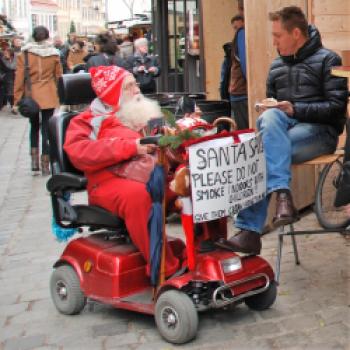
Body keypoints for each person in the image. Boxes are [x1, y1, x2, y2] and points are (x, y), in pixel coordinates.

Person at [224, 6, 348, 254]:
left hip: (320, 132)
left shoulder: (328, 59)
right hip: (285, 132)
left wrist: (295, 109)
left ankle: (250, 231)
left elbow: (336, 108)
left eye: (278, 36)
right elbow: (274, 112)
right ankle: (282, 196)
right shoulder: (276, 66)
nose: (274, 41)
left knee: (261, 155)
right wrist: (270, 107)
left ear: (296, 33)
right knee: (270, 117)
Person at [64, 65, 180, 279]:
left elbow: (169, 143)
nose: (137, 89)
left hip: (151, 173)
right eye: (129, 87)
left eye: (135, 83)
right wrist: (131, 147)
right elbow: (79, 153)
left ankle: (207, 250)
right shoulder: (86, 122)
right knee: (139, 196)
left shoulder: (144, 112)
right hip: (109, 182)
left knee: (193, 182)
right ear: (112, 94)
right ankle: (165, 269)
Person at [14, 25, 62, 175]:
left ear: (33, 37)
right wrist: (61, 96)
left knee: (34, 127)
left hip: (32, 95)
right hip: (49, 93)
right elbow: (58, 76)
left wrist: (17, 100)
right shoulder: (54, 54)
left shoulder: (25, 54)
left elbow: (19, 78)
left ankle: (34, 164)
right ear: (47, 37)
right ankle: (46, 164)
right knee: (47, 129)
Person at [229, 14, 248, 130]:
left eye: (237, 27)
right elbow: (245, 64)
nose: (236, 30)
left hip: (237, 91)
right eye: (234, 28)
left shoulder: (241, 35)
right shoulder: (242, 35)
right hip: (241, 92)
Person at [0, 47, 16, 114]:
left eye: (6, 53)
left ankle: (13, 106)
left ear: (11, 53)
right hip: (5, 78)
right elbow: (7, 68)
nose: (5, 54)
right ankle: (6, 105)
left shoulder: (15, 58)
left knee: (11, 93)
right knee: (7, 92)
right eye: (4, 53)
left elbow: (13, 66)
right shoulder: (2, 59)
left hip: (13, 77)